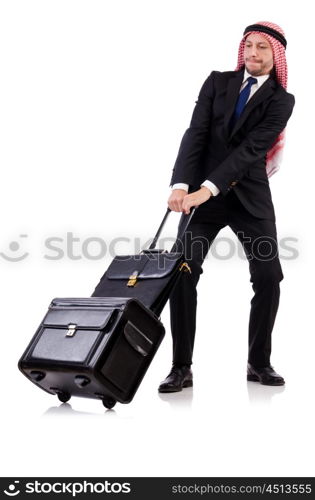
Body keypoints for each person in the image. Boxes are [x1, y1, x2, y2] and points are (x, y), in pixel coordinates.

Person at [158, 21, 295, 392]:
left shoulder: (282, 100)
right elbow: (196, 132)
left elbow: (252, 151)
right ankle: (180, 367)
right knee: (181, 273)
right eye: (248, 45)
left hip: (249, 199)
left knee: (269, 277)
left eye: (262, 48)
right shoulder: (218, 82)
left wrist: (208, 188)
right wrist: (181, 183)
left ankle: (259, 362)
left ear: (276, 55)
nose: (253, 53)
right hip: (201, 198)